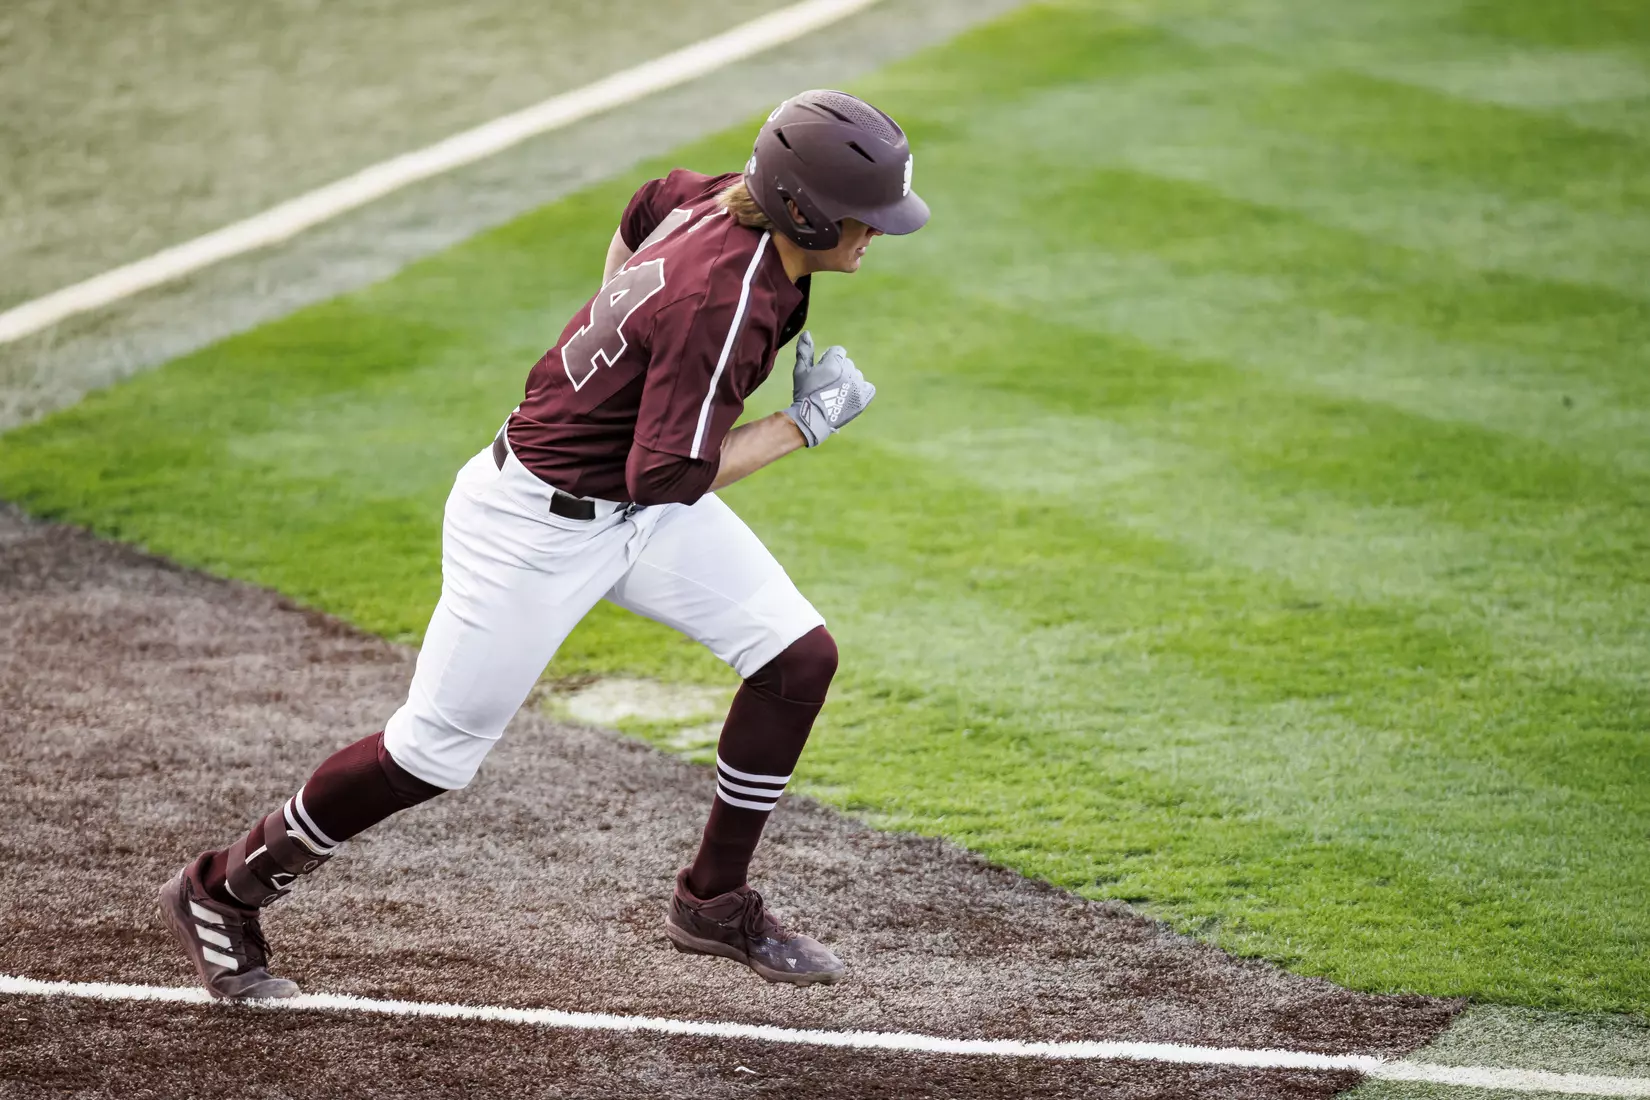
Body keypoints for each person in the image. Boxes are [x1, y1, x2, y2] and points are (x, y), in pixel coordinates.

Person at [158, 89, 929, 997]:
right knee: (431, 754)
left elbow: (646, 201)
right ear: (804, 209)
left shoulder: (726, 196)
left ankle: (712, 901)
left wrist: (615, 330)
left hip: (622, 507)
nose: (877, 234)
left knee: (797, 659)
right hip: (532, 530)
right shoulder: (725, 299)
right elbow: (669, 478)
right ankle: (223, 888)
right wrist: (807, 422)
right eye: (865, 217)